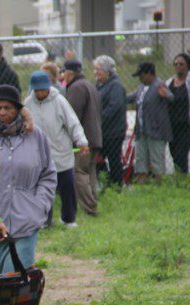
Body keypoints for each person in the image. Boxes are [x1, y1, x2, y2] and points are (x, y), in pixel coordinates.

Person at [0, 84, 56, 273]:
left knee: (16, 279)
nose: (2, 112)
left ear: (19, 110)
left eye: (8, 108)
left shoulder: (35, 135)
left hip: (25, 220)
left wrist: (40, 205)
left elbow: (48, 174)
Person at [25, 70, 88, 229]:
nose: (40, 92)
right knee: (43, 190)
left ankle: (69, 218)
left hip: (61, 152)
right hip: (38, 155)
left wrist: (81, 141)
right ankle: (45, 220)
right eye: (37, 90)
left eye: (43, 89)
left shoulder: (59, 101)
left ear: (48, 87)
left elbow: (72, 122)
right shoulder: (28, 104)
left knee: (67, 187)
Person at [63, 60, 103, 216]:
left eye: (64, 72)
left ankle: (89, 207)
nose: (63, 76)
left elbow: (72, 116)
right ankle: (92, 203)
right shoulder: (89, 84)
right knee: (89, 172)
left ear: (70, 73)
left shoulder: (76, 87)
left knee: (80, 173)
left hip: (83, 141)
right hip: (94, 137)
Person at [128, 62, 173, 180]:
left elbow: (171, 97)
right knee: (140, 161)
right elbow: (132, 97)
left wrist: (166, 95)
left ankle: (159, 187)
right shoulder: (142, 87)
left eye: (141, 76)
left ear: (149, 74)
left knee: (157, 161)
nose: (139, 79)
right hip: (142, 131)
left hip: (155, 131)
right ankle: (142, 185)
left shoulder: (159, 85)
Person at [94, 55, 127, 188]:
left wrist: (98, 119)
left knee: (113, 159)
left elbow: (114, 107)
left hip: (113, 131)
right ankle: (106, 181)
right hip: (103, 131)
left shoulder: (115, 85)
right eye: (95, 69)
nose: (95, 72)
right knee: (97, 158)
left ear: (108, 71)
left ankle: (117, 185)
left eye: (99, 69)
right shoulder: (100, 85)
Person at [166, 53, 190, 174]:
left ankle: (182, 178)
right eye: (176, 64)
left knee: (181, 154)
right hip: (172, 125)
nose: (178, 66)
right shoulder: (169, 82)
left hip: (185, 125)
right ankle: (179, 180)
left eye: (181, 64)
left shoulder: (188, 82)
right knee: (174, 153)